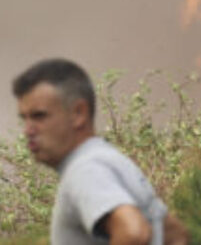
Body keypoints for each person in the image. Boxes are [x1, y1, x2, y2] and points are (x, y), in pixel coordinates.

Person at [12, 58, 187, 245]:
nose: (28, 130)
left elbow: (134, 233)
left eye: (39, 116)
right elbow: (175, 235)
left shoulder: (85, 170)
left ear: (78, 113)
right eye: (25, 118)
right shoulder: (112, 160)